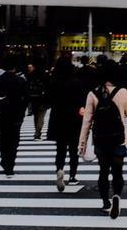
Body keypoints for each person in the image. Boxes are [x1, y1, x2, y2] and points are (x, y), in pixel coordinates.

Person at [79, 61, 127, 219]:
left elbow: (87, 121)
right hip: (119, 139)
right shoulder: (122, 91)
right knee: (118, 171)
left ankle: (105, 203)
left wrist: (82, 144)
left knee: (103, 171)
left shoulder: (93, 93)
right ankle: (116, 195)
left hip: (100, 138)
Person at [47, 56, 85, 191]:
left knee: (60, 148)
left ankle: (59, 169)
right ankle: (73, 176)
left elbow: (49, 99)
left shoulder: (53, 81)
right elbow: (82, 100)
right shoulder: (76, 82)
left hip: (58, 116)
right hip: (74, 117)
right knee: (74, 148)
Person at [0, 55, 28, 177]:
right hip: (16, 115)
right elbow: (26, 99)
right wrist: (22, 112)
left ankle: (4, 160)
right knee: (14, 140)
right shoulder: (20, 81)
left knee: (3, 139)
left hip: (3, 114)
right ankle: (10, 164)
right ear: (15, 67)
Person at [26, 62, 49, 141]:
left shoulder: (30, 75)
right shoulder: (45, 75)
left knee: (36, 116)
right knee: (41, 117)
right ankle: (37, 133)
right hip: (43, 98)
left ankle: (37, 131)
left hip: (34, 98)